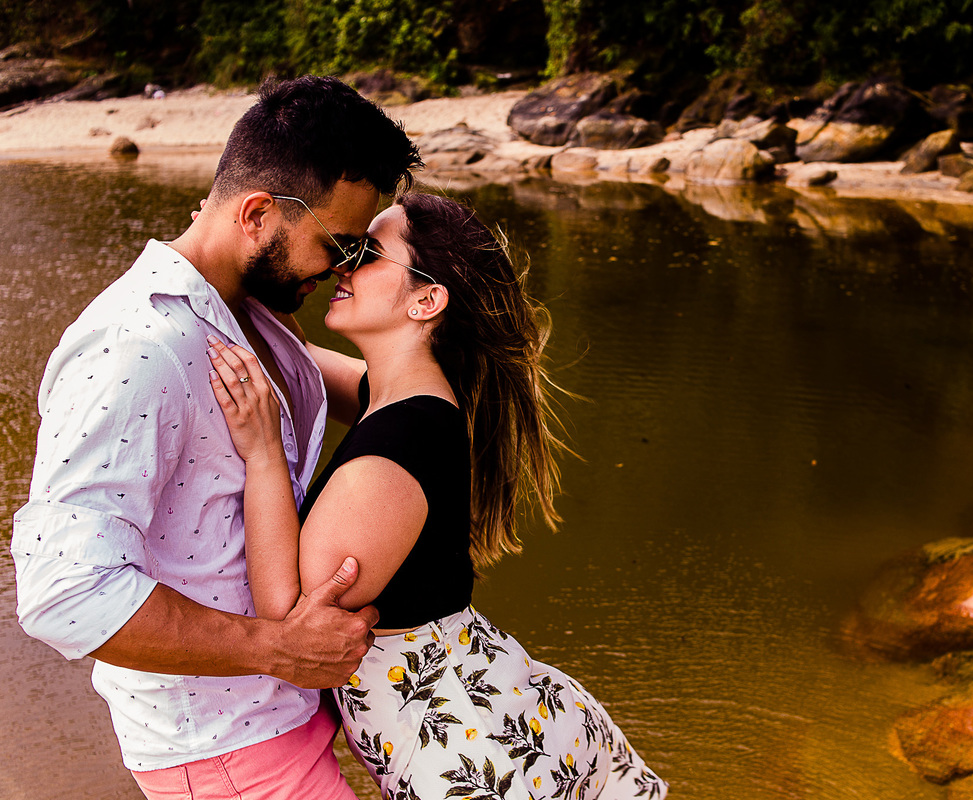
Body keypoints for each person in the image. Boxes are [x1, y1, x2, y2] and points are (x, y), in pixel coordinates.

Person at [10, 75, 421, 799]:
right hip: (222, 752)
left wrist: (446, 386)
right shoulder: (136, 345)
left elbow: (362, 388)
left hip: (274, 725)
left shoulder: (242, 308)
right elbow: (62, 590)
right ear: (258, 212)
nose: (343, 271)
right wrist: (280, 648)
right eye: (341, 246)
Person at [205, 192, 668, 799]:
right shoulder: (405, 396)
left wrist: (263, 453)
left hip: (471, 754)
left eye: (365, 253)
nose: (342, 264)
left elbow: (287, 609)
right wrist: (232, 248)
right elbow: (295, 358)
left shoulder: (394, 451)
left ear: (427, 299)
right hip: (493, 713)